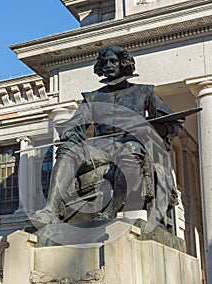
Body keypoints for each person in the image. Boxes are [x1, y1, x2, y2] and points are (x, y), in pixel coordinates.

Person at [31, 46, 183, 227]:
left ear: (123, 64)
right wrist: (71, 133)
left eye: (113, 61)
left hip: (131, 143)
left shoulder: (144, 92)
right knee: (68, 150)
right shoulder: (93, 97)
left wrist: (156, 131)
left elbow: (174, 123)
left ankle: (111, 209)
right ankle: (50, 210)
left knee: (131, 150)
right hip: (101, 148)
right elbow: (74, 125)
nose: (109, 65)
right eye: (105, 62)